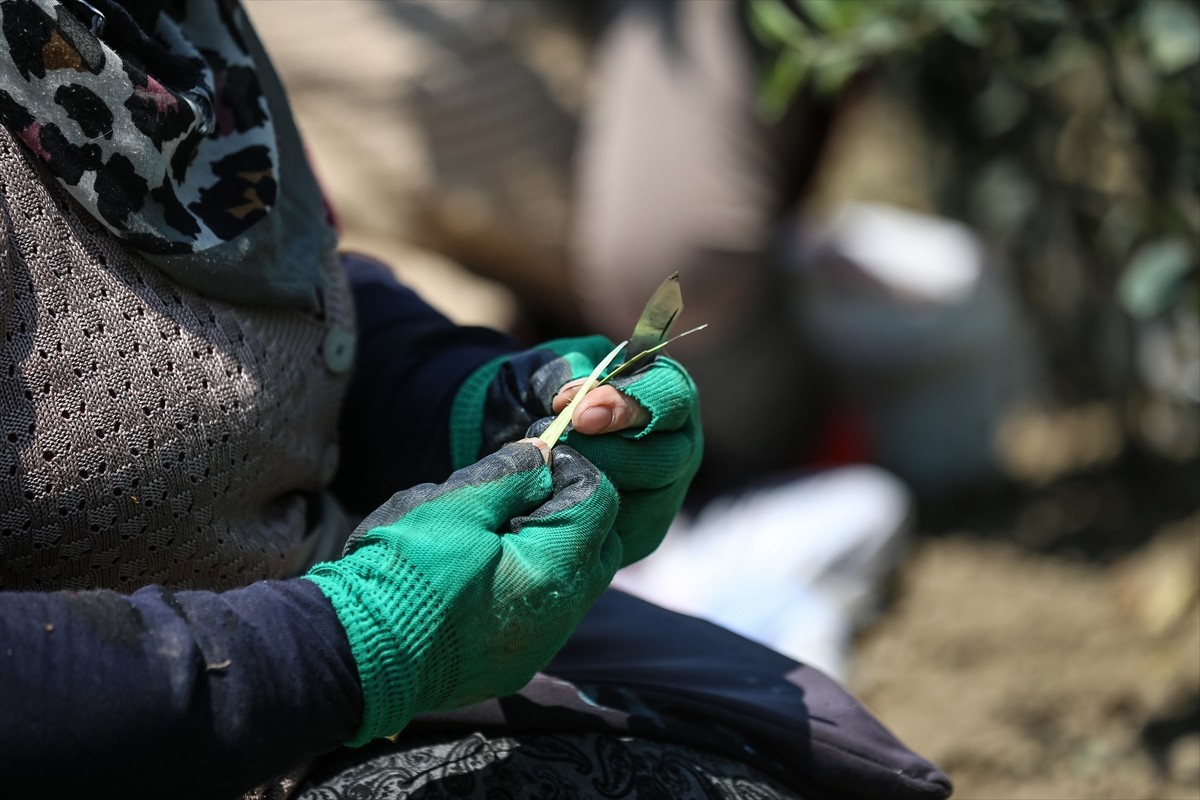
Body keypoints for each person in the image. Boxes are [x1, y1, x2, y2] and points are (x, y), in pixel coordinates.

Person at [0, 2, 952, 799]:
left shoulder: (158, 29)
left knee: (812, 741)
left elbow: (296, 320)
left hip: (324, 665)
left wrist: (477, 406)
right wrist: (340, 647)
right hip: (191, 726)